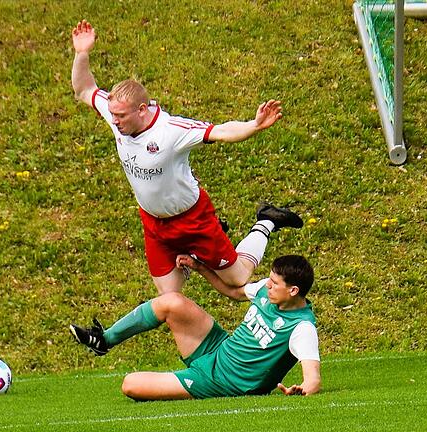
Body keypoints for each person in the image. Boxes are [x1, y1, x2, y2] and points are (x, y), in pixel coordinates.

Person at [70, 20, 302, 295]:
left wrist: (253, 125)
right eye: (113, 114)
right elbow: (84, 90)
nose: (115, 120)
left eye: (121, 116)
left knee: (237, 279)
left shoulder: (171, 131)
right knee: (170, 298)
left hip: (192, 220)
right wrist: (82, 53)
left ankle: (266, 220)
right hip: (154, 223)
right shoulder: (115, 112)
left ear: (142, 110)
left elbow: (222, 131)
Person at [69, 254, 320, 400]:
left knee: (130, 384)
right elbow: (233, 292)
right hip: (219, 350)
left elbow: (313, 379)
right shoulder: (267, 291)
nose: (267, 285)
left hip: (222, 382)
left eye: (275, 283)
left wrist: (302, 390)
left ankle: (189, 379)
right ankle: (104, 340)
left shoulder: (302, 328)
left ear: (293, 291)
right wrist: (200, 268)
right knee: (171, 302)